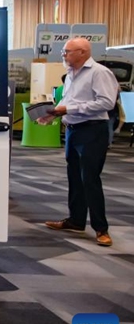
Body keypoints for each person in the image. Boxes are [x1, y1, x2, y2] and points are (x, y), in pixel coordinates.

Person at [42, 37, 118, 247]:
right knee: (74, 177)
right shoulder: (69, 75)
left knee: (90, 180)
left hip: (93, 131)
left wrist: (68, 110)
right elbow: (67, 101)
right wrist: (53, 114)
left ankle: (101, 229)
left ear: (82, 52)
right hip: (73, 131)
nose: (64, 55)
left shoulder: (99, 73)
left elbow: (106, 102)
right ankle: (76, 220)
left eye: (67, 52)